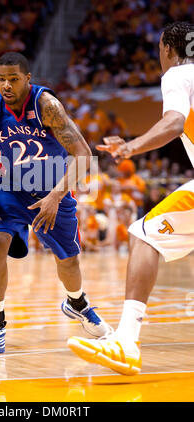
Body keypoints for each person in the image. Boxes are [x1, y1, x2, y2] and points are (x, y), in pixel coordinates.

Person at [0, 52, 111, 356]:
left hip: (51, 186)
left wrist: (55, 197)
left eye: (13, 79)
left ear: (27, 80)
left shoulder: (47, 107)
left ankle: (77, 303)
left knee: (69, 261)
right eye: (1, 79)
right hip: (8, 184)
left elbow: (84, 154)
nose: (6, 85)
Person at [68, 21, 194, 375]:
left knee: (143, 234)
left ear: (169, 49)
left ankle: (125, 341)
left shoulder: (178, 75)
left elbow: (172, 123)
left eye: (158, 50)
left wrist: (131, 146)